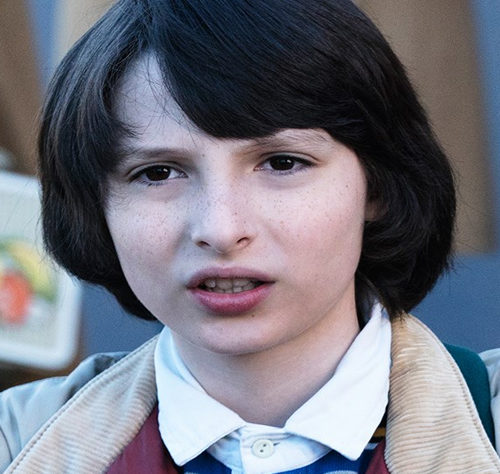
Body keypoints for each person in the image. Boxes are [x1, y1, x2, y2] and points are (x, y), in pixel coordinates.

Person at [1, 0, 499, 472]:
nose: (221, 230)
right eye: (158, 173)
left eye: (282, 163)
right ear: (96, 204)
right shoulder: (15, 441)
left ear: (379, 185)